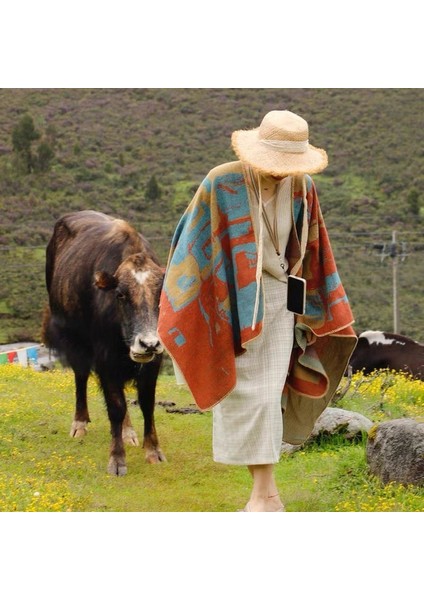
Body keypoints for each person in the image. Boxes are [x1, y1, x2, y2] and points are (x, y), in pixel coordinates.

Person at [158, 109, 357, 512]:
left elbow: (311, 246)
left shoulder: (302, 187)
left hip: (280, 301)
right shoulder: (222, 181)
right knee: (240, 393)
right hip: (230, 301)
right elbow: (191, 241)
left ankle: (264, 494)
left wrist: (313, 304)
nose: (283, 172)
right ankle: (264, 494)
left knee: (267, 395)